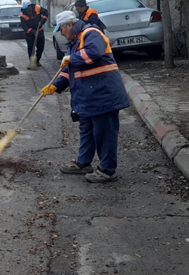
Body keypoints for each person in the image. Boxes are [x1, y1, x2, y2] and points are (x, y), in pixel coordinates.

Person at [41, 10, 129, 183]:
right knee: (87, 129)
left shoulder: (91, 33)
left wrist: (71, 58)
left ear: (70, 25)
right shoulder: (74, 42)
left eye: (62, 29)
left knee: (104, 132)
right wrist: (54, 86)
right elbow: (68, 71)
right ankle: (83, 162)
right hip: (89, 95)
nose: (61, 33)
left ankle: (107, 170)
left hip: (104, 94)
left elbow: (93, 53)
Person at [20, 3, 49, 67]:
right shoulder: (23, 14)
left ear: (30, 6)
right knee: (31, 48)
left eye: (27, 8)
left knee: (40, 48)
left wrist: (42, 21)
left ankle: (37, 61)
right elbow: (24, 26)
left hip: (40, 31)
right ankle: (32, 62)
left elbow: (46, 13)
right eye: (25, 9)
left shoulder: (37, 8)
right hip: (29, 34)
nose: (27, 10)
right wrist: (33, 32)